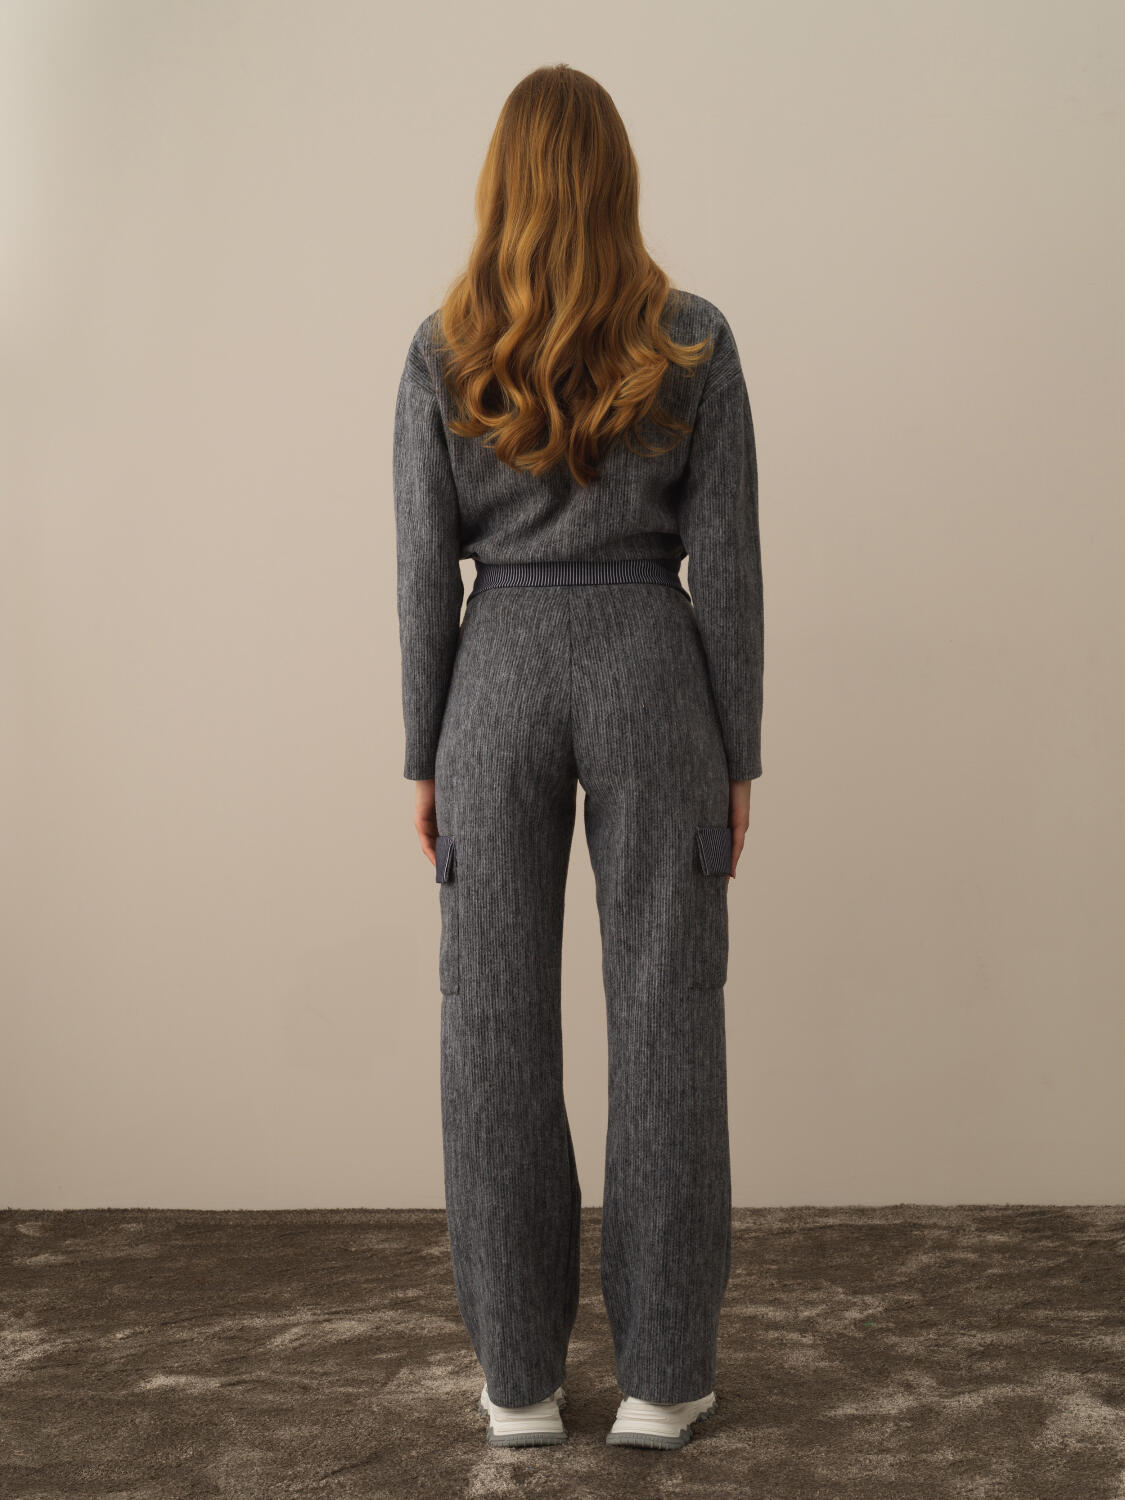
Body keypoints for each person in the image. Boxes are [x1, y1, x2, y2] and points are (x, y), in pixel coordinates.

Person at [392, 63, 763, 1453]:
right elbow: (727, 567)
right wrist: (738, 749)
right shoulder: (693, 340)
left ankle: (519, 1383)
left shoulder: (441, 350)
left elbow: (421, 569)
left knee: (489, 1021)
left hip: (493, 677)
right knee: (669, 1012)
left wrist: (424, 750)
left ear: (500, 187)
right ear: (619, 181)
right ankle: (662, 1378)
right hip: (652, 669)